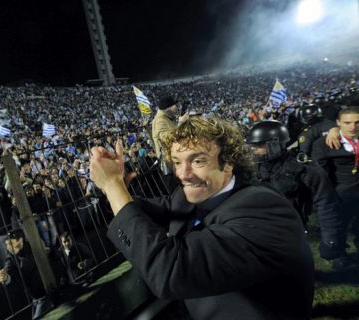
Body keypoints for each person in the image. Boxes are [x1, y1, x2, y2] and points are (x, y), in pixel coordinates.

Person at [89, 116, 314, 319]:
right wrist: (117, 190)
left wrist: (113, 186)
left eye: (198, 161)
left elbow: (172, 271)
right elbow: (144, 211)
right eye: (177, 162)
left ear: (228, 164)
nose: (182, 174)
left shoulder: (264, 209)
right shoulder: (188, 196)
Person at [246, 121, 347, 268]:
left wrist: (330, 240)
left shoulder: (305, 169)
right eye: (252, 145)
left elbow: (326, 204)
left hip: (289, 231)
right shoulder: (251, 169)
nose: (253, 149)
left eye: (259, 145)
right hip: (254, 229)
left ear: (275, 144)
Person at [312, 107, 359, 259]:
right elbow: (321, 174)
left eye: (357, 122)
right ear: (338, 123)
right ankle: (340, 257)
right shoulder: (323, 144)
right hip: (340, 196)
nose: (352, 127)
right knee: (339, 230)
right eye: (347, 123)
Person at [0, 230, 53, 319]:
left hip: (46, 293)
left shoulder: (33, 247)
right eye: (7, 244)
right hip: (35, 297)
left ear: (21, 241)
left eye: (11, 244)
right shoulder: (11, 255)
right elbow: (9, 267)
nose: (8, 248)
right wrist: (6, 277)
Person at [151, 94, 185, 193]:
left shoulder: (166, 118)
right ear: (168, 107)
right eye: (175, 105)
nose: (177, 107)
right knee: (178, 194)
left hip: (174, 163)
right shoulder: (160, 121)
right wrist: (181, 123)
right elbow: (166, 139)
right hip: (169, 166)